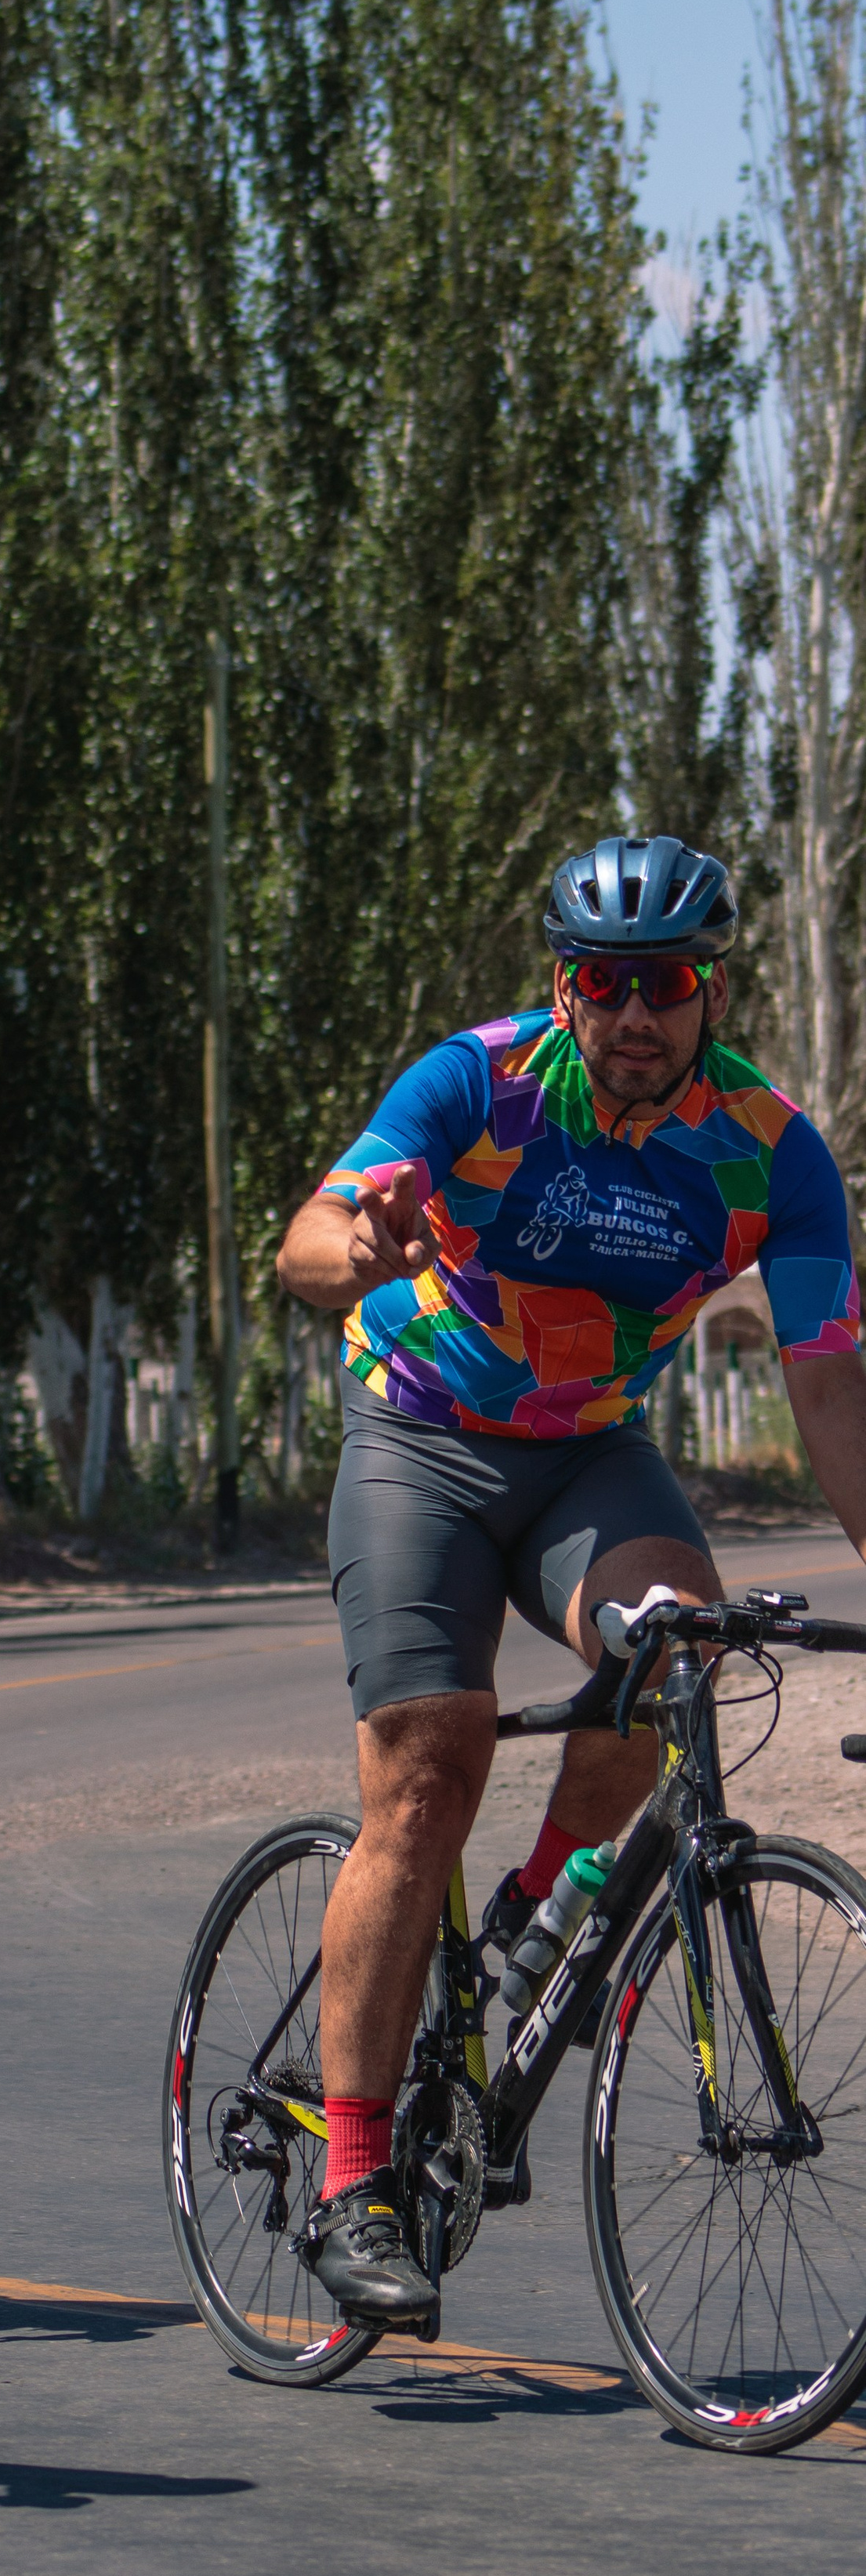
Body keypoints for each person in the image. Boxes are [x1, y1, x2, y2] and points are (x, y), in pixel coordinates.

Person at [276, 836, 866, 2324]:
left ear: (711, 993)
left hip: (587, 1453)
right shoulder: (478, 1084)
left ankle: (540, 1912)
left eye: (665, 985)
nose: (635, 1014)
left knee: (681, 1650)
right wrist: (360, 1250)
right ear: (564, 987)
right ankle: (353, 2180)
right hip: (420, 1437)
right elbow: (306, 1242)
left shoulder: (772, 1154)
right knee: (428, 1769)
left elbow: (831, 1390)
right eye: (606, 985)